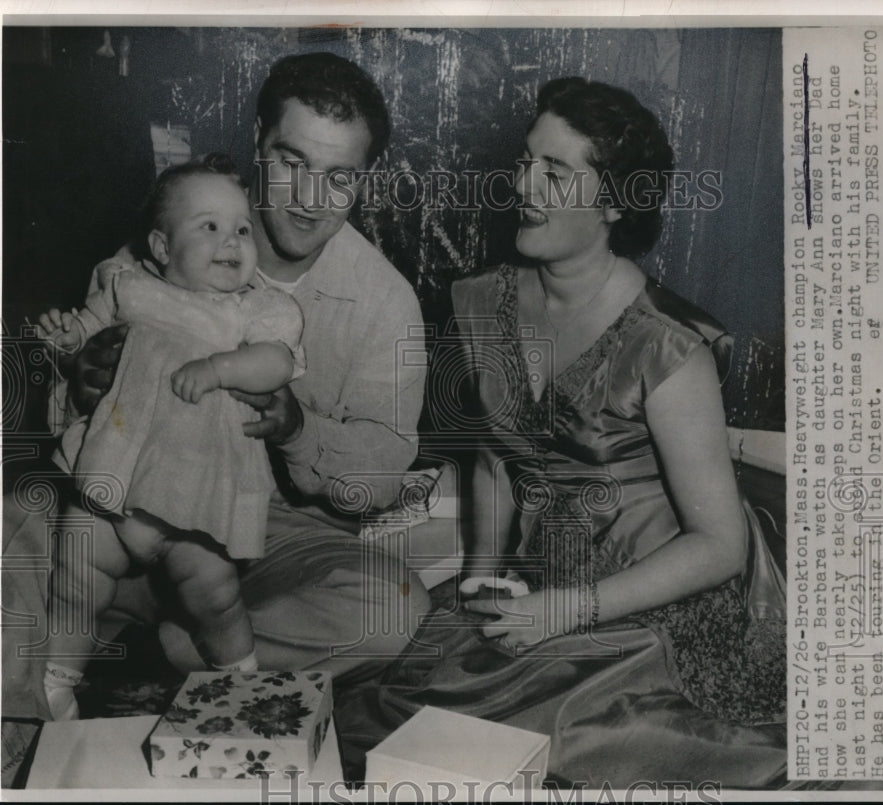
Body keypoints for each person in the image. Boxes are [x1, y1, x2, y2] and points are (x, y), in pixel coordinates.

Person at [335, 77, 787, 788]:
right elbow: (490, 462)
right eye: (524, 161)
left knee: (570, 741)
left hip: (658, 603)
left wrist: (571, 608)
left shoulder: (670, 346)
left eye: (556, 172)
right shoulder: (482, 302)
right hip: (538, 581)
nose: (524, 185)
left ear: (612, 201)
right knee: (402, 722)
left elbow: (721, 545)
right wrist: (483, 571)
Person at [2, 52, 430, 720]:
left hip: (262, 537)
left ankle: (168, 646)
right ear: (258, 141)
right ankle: (48, 684)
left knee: (391, 608)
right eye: (291, 161)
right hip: (119, 496)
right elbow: (71, 405)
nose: (311, 198)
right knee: (7, 526)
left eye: (339, 177)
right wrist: (81, 380)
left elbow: (381, 475)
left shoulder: (386, 302)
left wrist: (296, 428)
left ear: (365, 178)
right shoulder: (167, 238)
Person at [34, 155, 306, 719]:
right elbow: (83, 335)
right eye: (209, 226)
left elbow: (276, 364)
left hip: (196, 498)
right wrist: (65, 338)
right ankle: (56, 686)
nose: (231, 240)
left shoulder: (255, 309)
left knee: (218, 599)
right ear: (160, 247)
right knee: (75, 579)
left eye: (241, 229)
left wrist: (220, 370)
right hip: (111, 477)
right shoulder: (128, 286)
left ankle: (242, 681)